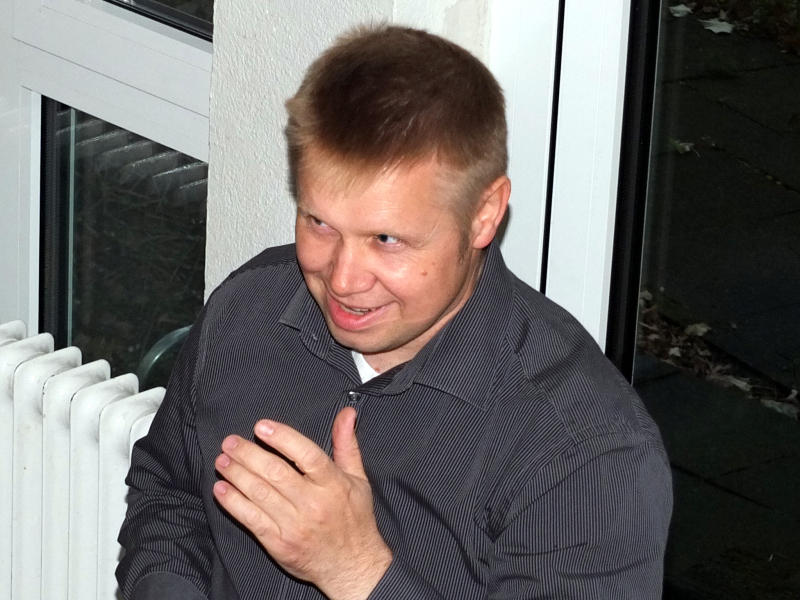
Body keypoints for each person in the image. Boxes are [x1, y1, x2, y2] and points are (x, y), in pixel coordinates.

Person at [117, 24, 672, 600]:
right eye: (319, 223)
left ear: (484, 214)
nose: (342, 280)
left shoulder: (587, 452)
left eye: (386, 239)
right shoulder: (249, 308)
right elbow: (170, 493)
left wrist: (356, 571)